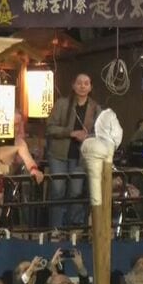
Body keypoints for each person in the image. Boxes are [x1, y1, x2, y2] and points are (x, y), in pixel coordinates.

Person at [46, 74, 100, 227]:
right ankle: (55, 229)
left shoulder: (95, 108)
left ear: (91, 87)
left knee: (76, 192)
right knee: (58, 190)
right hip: (59, 154)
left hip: (80, 156)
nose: (82, 86)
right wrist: (70, 133)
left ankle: (72, 229)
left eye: (86, 83)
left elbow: (101, 132)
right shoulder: (62, 104)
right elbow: (50, 128)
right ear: (73, 86)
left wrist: (87, 136)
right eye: (79, 83)